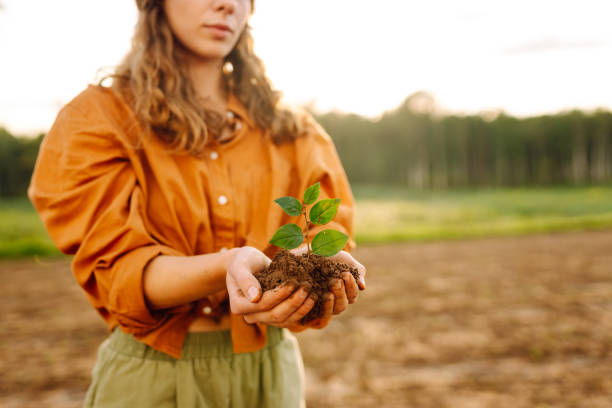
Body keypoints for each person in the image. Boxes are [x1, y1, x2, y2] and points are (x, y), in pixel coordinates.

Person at [28, 0, 366, 406]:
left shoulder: (293, 131)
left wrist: (320, 266)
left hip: (270, 377)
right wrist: (229, 265)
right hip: (153, 379)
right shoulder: (101, 120)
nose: (225, 4)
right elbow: (123, 271)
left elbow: (325, 234)